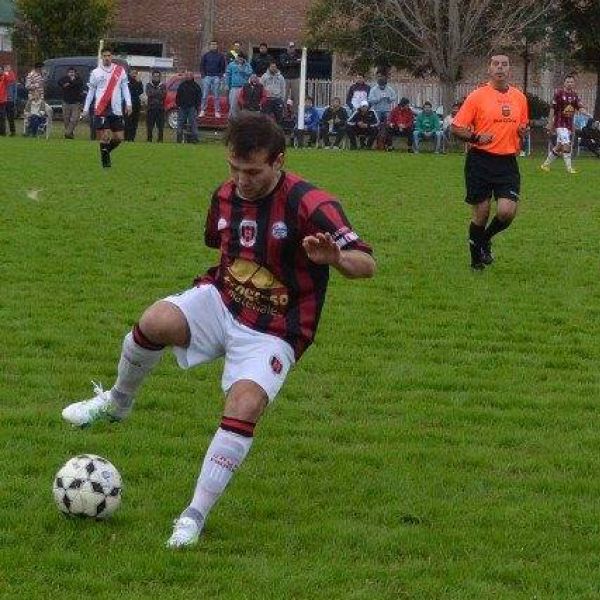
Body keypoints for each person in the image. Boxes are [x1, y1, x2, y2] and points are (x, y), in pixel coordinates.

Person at [60, 110, 375, 548]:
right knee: (155, 321)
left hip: (278, 328)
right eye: (234, 168)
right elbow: (221, 246)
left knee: (244, 406)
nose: (242, 180)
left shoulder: (312, 204)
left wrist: (336, 259)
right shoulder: (225, 196)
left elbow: (367, 264)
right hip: (224, 300)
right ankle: (117, 402)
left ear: (279, 161)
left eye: (252, 171)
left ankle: (193, 515)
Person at [450, 54, 528, 270]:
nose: (500, 68)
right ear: (489, 69)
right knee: (482, 212)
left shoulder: (520, 98)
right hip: (480, 161)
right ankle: (476, 261)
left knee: (506, 212)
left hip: (507, 162)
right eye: (496, 64)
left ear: (509, 69)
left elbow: (521, 127)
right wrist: (475, 137)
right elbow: (456, 127)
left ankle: (484, 239)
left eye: (504, 64)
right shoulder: (477, 97)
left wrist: (522, 132)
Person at [82, 48, 132, 168]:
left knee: (119, 138)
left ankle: (105, 151)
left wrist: (128, 103)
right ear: (101, 57)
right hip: (102, 108)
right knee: (105, 136)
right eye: (104, 56)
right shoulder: (96, 73)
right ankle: (106, 164)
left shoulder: (119, 71)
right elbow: (91, 91)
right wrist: (85, 108)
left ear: (112, 56)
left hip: (116, 108)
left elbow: (125, 87)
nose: (107, 58)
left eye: (109, 55)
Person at [541, 73, 589, 174]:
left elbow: (579, 107)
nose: (570, 84)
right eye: (568, 82)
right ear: (564, 83)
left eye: (571, 82)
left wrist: (585, 112)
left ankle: (545, 165)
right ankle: (569, 168)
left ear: (574, 83)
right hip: (560, 123)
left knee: (558, 146)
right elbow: (552, 109)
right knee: (567, 144)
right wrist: (550, 123)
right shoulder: (559, 94)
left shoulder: (575, 95)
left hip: (568, 125)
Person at [200, 41, 227, 118]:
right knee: (205, 95)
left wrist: (220, 76)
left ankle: (217, 111)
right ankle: (202, 110)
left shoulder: (220, 56)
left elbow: (223, 67)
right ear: (209, 46)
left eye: (215, 44)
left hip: (216, 77)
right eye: (212, 44)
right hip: (207, 77)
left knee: (216, 95)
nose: (213, 46)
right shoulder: (206, 55)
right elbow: (202, 66)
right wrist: (203, 76)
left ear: (217, 46)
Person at [58, 67, 84, 139]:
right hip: (66, 102)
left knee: (74, 119)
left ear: (75, 73)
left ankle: (67, 133)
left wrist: (69, 83)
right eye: (70, 72)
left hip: (76, 103)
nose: (71, 73)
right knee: (66, 119)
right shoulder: (64, 78)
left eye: (73, 72)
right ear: (67, 73)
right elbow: (60, 83)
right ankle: (70, 135)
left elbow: (78, 84)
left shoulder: (79, 79)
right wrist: (68, 84)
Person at [175, 72, 202, 143]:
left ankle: (194, 139)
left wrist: (197, 106)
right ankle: (179, 139)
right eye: (187, 75)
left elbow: (199, 97)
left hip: (192, 107)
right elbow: (178, 96)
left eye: (189, 75)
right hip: (182, 107)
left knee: (193, 123)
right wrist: (178, 105)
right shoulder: (182, 85)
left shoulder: (196, 86)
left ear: (192, 76)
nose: (188, 76)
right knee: (180, 123)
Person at [225, 53, 252, 119]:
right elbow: (228, 75)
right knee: (233, 105)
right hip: (234, 87)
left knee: (243, 105)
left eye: (241, 58)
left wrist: (241, 69)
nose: (239, 59)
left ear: (243, 59)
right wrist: (227, 84)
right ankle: (232, 120)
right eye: (238, 57)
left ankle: (242, 120)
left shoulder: (247, 65)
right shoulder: (231, 65)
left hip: (244, 88)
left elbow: (249, 73)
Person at [278, 42, 303, 106]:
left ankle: (295, 114)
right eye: (290, 47)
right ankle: (283, 114)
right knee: (284, 96)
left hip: (296, 78)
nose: (291, 49)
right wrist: (295, 62)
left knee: (296, 97)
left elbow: (300, 63)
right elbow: (283, 64)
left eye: (293, 47)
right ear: (287, 48)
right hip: (285, 78)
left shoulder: (298, 55)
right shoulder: (283, 56)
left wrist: (289, 62)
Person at [145, 70, 166, 143]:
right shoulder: (148, 85)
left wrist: (154, 93)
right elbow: (149, 94)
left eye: (158, 76)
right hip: (151, 108)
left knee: (160, 127)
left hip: (160, 109)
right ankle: (149, 140)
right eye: (155, 76)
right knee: (150, 126)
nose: (156, 77)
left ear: (160, 77)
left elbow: (163, 95)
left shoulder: (163, 85)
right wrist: (158, 92)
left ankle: (160, 140)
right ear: (152, 77)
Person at [124, 69, 144, 142]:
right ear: (130, 73)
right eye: (133, 73)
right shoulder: (127, 81)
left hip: (136, 104)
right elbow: (131, 90)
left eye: (136, 73)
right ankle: (126, 138)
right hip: (128, 104)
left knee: (135, 122)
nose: (134, 74)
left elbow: (140, 91)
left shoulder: (138, 81)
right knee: (128, 122)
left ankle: (132, 138)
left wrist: (139, 82)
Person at [1, 65, 16, 136]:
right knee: (2, 117)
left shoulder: (11, 77)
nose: (7, 69)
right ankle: (2, 131)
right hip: (3, 99)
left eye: (8, 68)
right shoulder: (3, 77)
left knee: (10, 117)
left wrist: (13, 100)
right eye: (6, 68)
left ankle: (13, 131)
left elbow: (14, 90)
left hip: (9, 99)